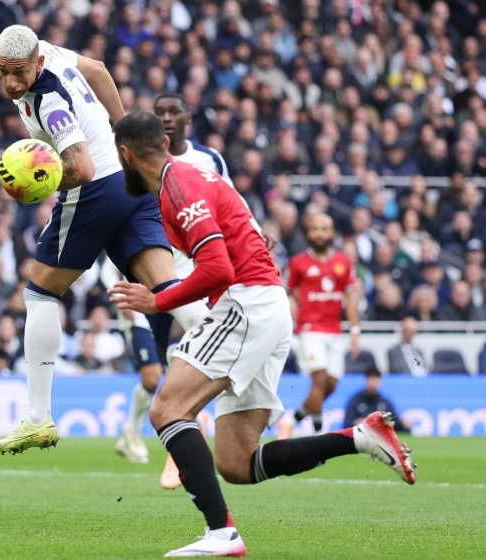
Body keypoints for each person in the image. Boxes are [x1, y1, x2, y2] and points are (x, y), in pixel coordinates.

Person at [109, 112, 416, 558]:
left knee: (168, 409)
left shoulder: (178, 189)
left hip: (246, 304)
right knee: (236, 463)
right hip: (265, 306)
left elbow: (219, 269)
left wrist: (157, 301)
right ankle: (360, 438)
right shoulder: (196, 178)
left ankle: (222, 534)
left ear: (125, 154)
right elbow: (244, 232)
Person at [0, 25, 208, 455]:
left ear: (36, 63)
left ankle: (37, 418)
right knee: (167, 285)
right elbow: (98, 68)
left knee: (40, 293)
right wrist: (123, 128)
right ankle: (233, 354)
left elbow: (82, 168)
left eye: (19, 72)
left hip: (96, 190)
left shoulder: (48, 100)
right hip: (131, 177)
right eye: (3, 72)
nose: (11, 83)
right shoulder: (48, 51)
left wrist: (38, 180)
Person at [114, 91, 230, 482]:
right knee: (156, 373)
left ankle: (184, 426)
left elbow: (228, 201)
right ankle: (143, 430)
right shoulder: (135, 173)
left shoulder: (207, 161)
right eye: (159, 111)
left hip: (191, 278)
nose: (166, 117)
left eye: (173, 111)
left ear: (187, 118)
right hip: (149, 281)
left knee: (203, 346)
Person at [277, 213, 361, 439]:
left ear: (332, 233)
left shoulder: (344, 263)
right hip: (309, 330)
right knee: (320, 380)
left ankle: (291, 422)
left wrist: (355, 331)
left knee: (331, 385)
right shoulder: (298, 263)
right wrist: (290, 307)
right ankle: (319, 433)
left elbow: (351, 298)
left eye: (324, 229)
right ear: (308, 233)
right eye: (315, 229)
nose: (319, 234)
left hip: (335, 331)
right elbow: (285, 291)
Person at [344, 368, 412, 432]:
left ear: (380, 381)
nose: (372, 382)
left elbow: (395, 424)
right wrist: (356, 423)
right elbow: (347, 423)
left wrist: (404, 424)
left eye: (375, 379)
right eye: (370, 378)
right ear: (366, 380)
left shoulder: (385, 402)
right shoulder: (355, 401)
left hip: (381, 437)